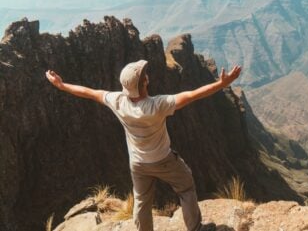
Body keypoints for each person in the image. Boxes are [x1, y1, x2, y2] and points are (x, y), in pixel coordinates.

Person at [45, 60, 242, 231]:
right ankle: (195, 228)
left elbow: (89, 92)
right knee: (186, 187)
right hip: (164, 160)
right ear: (144, 83)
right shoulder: (157, 105)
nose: (147, 75)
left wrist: (62, 85)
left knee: (141, 200)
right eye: (144, 75)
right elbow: (192, 95)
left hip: (138, 164)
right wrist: (222, 83)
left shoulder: (117, 101)